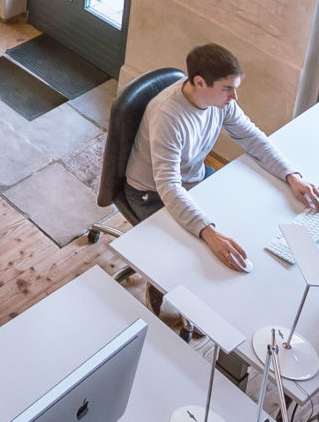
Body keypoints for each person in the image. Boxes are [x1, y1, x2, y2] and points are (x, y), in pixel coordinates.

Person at [125, 43, 319, 273]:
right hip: (151, 193)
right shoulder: (167, 117)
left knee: (246, 221)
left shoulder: (221, 102)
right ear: (199, 82)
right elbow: (168, 184)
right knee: (196, 260)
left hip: (192, 177)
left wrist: (292, 175)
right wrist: (208, 231)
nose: (234, 96)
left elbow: (252, 137)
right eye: (227, 89)